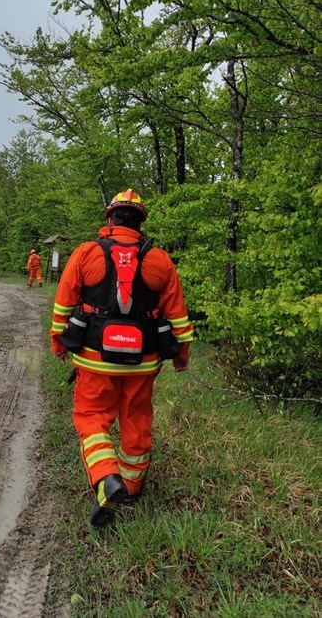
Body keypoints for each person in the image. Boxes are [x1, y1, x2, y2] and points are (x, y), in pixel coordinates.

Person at [50, 189, 193, 527]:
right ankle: (129, 485)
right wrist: (181, 356)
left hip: (94, 359)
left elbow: (62, 305)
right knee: (137, 417)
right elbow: (179, 317)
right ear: (140, 222)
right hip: (143, 362)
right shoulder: (159, 259)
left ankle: (105, 476)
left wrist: (59, 343)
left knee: (91, 416)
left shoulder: (86, 253)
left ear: (110, 219)